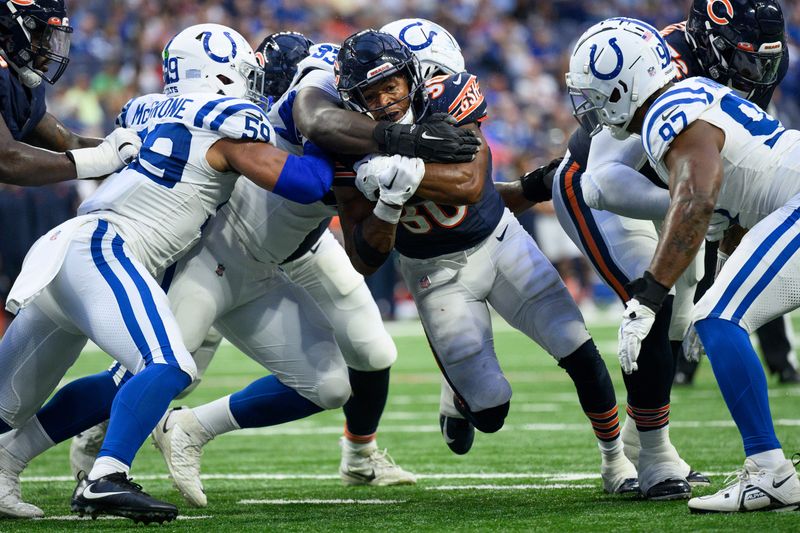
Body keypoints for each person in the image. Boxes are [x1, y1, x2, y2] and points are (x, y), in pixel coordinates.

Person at [0, 23, 340, 523]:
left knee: (5, 401)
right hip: (105, 249)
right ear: (222, 76)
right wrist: (328, 137)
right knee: (168, 364)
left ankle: (5, 466)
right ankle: (106, 476)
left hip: (65, 250)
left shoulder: (148, 109)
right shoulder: (228, 125)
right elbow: (308, 184)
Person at [334, 29, 642, 496]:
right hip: (434, 276)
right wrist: (388, 205)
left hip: (500, 242)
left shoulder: (447, 96)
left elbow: (471, 183)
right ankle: (460, 395)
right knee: (491, 413)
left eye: (391, 86)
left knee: (577, 348)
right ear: (352, 100)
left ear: (411, 76)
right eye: (370, 94)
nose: (384, 101)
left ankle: (615, 461)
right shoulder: (346, 143)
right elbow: (364, 259)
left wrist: (409, 175)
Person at [566, 16, 800, 513]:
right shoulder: (694, 92)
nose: (588, 107)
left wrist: (650, 295)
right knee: (718, 315)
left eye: (594, 92)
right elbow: (732, 214)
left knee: (718, 317)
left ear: (622, 85)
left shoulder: (669, 111)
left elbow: (694, 201)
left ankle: (770, 473)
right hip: (788, 200)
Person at [0, 0, 141, 186]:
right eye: (43, 36)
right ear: (13, 31)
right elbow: (6, 160)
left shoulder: (20, 83)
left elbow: (71, 143)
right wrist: (98, 161)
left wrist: (142, 153)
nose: (49, 48)